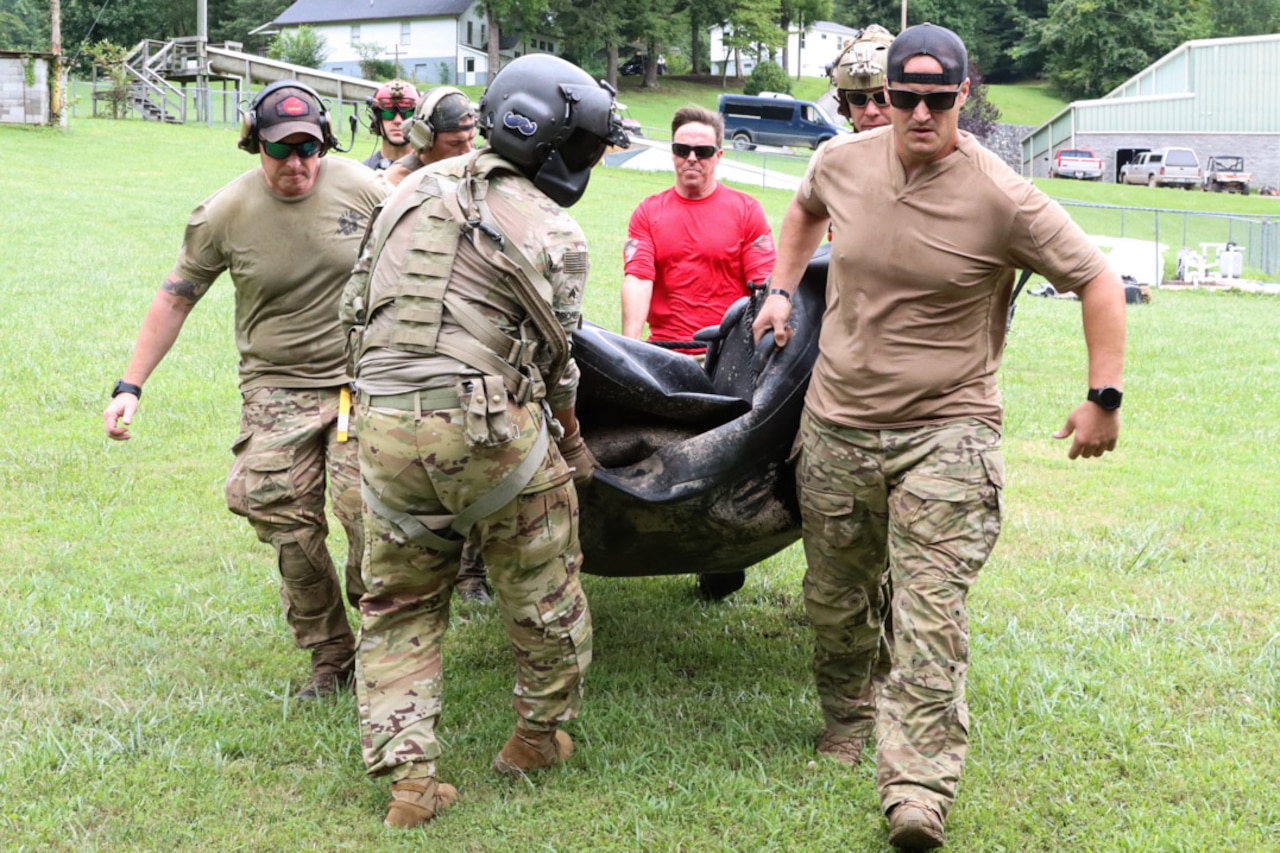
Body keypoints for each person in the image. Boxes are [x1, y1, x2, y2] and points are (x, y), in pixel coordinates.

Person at [752, 23, 1125, 850]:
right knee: (837, 597)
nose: (919, 113)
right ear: (883, 97)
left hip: (947, 431)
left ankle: (916, 787)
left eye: (937, 98)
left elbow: (1098, 276)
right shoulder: (844, 162)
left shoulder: (1002, 196)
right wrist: (779, 290)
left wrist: (1103, 394)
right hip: (839, 423)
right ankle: (848, 717)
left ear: (964, 94)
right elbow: (806, 207)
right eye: (902, 97)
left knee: (930, 614)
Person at [340, 53, 628, 829]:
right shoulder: (557, 231)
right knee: (544, 589)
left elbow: (355, 312)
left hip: (384, 423)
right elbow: (557, 364)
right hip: (489, 433)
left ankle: (410, 779)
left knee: (397, 602)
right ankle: (536, 736)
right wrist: (568, 442)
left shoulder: (403, 196)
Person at [103, 81, 389, 700]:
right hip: (276, 386)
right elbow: (177, 296)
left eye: (309, 148)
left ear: (325, 142)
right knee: (284, 519)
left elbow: (421, 245)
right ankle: (330, 654)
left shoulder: (364, 189)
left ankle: (384, 631)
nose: (297, 164)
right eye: (281, 150)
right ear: (255, 144)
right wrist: (131, 385)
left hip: (354, 384)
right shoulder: (222, 213)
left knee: (366, 510)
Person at [621, 105, 775, 347]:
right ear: (673, 154)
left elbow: (763, 287)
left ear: (718, 156)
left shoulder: (747, 211)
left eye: (702, 151)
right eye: (682, 150)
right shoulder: (648, 212)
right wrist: (629, 349)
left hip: (727, 354)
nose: (691, 158)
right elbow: (638, 280)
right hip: (664, 351)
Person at [383, 86, 478, 187]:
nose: (468, 151)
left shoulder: (476, 170)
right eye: (455, 143)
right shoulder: (396, 182)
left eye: (471, 139)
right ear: (424, 138)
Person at [832, 24, 896, 132]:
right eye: (857, 98)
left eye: (882, 97)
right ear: (846, 106)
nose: (871, 112)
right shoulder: (834, 149)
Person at [363, 79, 421, 171]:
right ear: (376, 120)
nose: (398, 121)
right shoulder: (364, 171)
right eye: (388, 113)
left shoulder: (431, 170)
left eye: (407, 114)